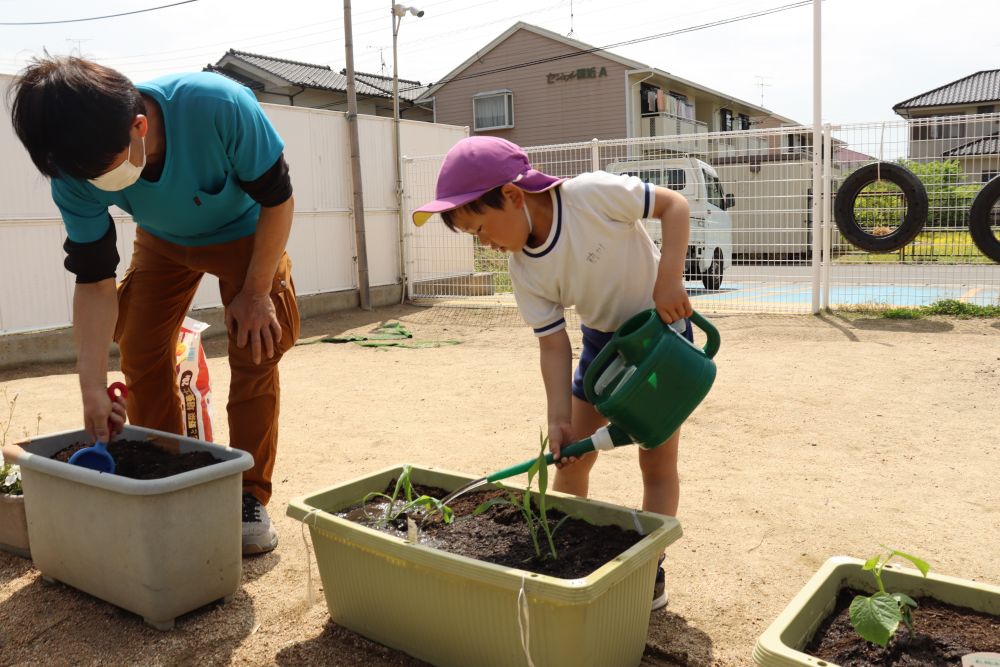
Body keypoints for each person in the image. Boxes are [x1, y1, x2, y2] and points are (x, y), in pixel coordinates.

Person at [9, 57, 300, 555]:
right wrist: (91, 387)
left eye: (102, 171)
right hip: (164, 241)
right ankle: (168, 471)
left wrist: (255, 294)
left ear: (139, 127)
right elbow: (94, 280)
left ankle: (249, 494)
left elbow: (278, 198)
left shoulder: (216, 106)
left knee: (256, 343)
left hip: (247, 232)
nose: (92, 183)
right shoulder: (74, 170)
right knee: (140, 342)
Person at [412, 136, 693, 610]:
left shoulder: (590, 194)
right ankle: (569, 552)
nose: (487, 245)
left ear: (514, 196)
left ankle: (650, 569)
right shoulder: (525, 269)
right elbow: (554, 342)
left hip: (658, 337)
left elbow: (675, 206)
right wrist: (558, 416)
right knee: (573, 458)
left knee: (657, 462)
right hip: (603, 346)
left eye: (481, 229)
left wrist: (669, 278)